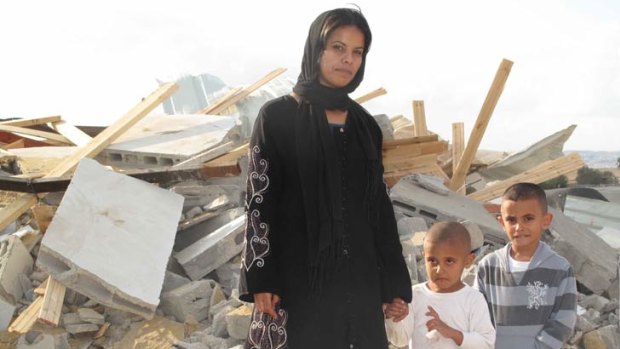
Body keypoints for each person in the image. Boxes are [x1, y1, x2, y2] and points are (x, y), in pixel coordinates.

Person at [238, 7, 412, 349]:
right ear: (316, 49)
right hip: (296, 279)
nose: (347, 59)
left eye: (357, 52)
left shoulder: (366, 127)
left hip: (359, 281)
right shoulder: (277, 117)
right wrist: (262, 278)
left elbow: (377, 207)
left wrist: (393, 284)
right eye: (337, 47)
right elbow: (260, 201)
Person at [475, 182, 577, 349]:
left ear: (546, 220)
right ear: (501, 222)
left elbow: (563, 322)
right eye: (511, 220)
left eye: (528, 218)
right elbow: (477, 315)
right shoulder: (488, 267)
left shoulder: (560, 269)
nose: (519, 227)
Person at [384, 221, 496, 349]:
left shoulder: (473, 299)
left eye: (449, 261)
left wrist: (451, 333)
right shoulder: (415, 295)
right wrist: (391, 316)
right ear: (424, 257)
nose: (439, 270)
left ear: (468, 261)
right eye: (432, 261)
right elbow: (399, 340)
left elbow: (487, 343)